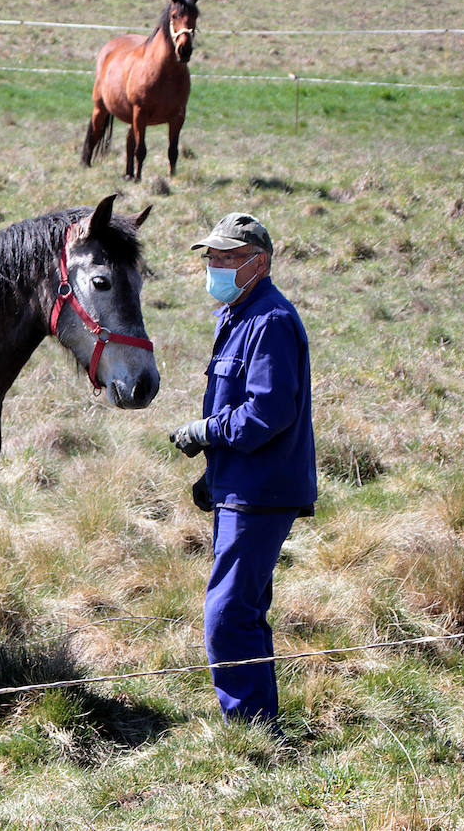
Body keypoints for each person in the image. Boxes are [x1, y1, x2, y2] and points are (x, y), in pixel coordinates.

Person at [168, 211, 316, 727]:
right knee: (242, 610)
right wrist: (214, 476)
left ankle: (251, 731)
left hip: (261, 491)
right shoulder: (238, 316)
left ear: (260, 263)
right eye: (212, 257)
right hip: (241, 486)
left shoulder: (270, 321)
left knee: (228, 615)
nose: (216, 266)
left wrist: (207, 431)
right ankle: (255, 724)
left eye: (229, 257)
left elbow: (268, 412)